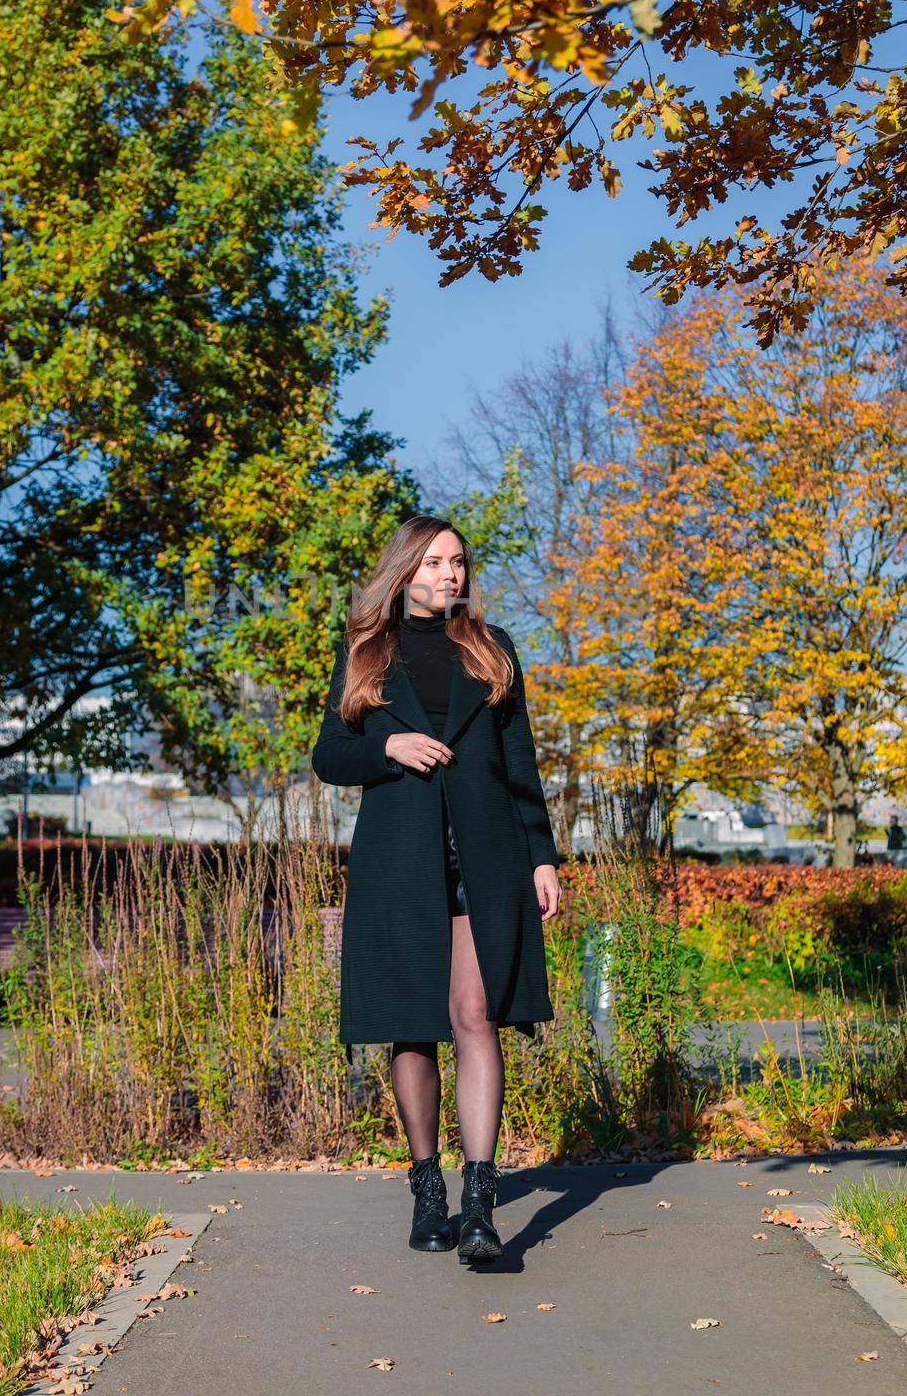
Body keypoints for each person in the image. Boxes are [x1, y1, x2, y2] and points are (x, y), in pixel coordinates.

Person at [310, 515, 562, 1264]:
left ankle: (480, 1204)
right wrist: (384, 746)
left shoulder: (490, 648)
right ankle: (428, 1187)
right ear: (404, 569)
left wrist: (542, 857)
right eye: (434, 563)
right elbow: (330, 755)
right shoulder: (365, 651)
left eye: (458, 563)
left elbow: (520, 762)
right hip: (399, 861)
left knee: (475, 1015)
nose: (449, 575)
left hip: (485, 858)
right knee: (412, 1027)